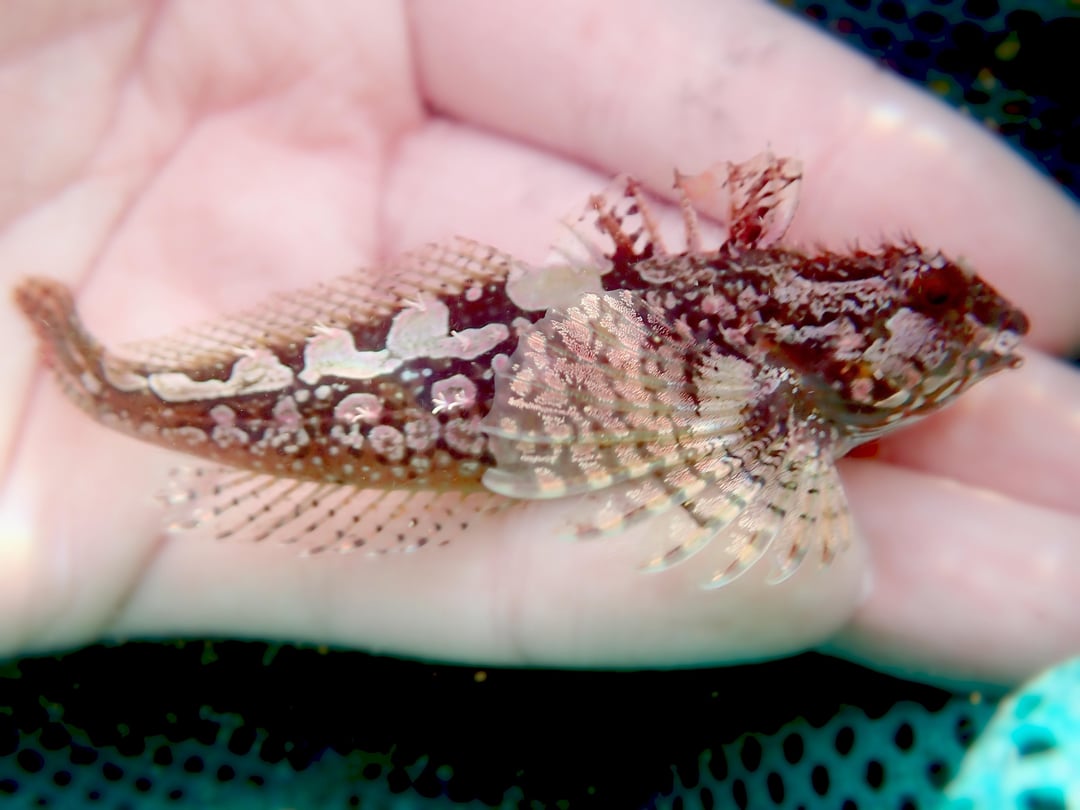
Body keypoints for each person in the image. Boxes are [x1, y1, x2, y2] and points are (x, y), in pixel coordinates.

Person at [2, 1, 1078, 690]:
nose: (980, 341)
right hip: (457, 387)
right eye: (938, 326)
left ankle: (107, 384)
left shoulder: (761, 360)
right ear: (841, 358)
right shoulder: (757, 381)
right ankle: (104, 383)